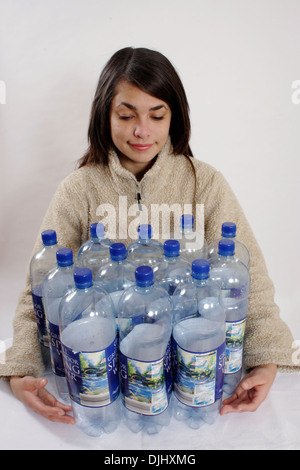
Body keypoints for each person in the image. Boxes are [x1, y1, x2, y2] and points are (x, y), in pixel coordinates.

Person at [1, 47, 297, 425]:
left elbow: (248, 281)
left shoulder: (203, 183)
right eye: (126, 115)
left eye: (157, 115)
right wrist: (22, 367)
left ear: (174, 117)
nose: (142, 130)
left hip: (192, 376)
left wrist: (265, 358)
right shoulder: (80, 189)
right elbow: (39, 289)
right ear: (104, 115)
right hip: (105, 380)